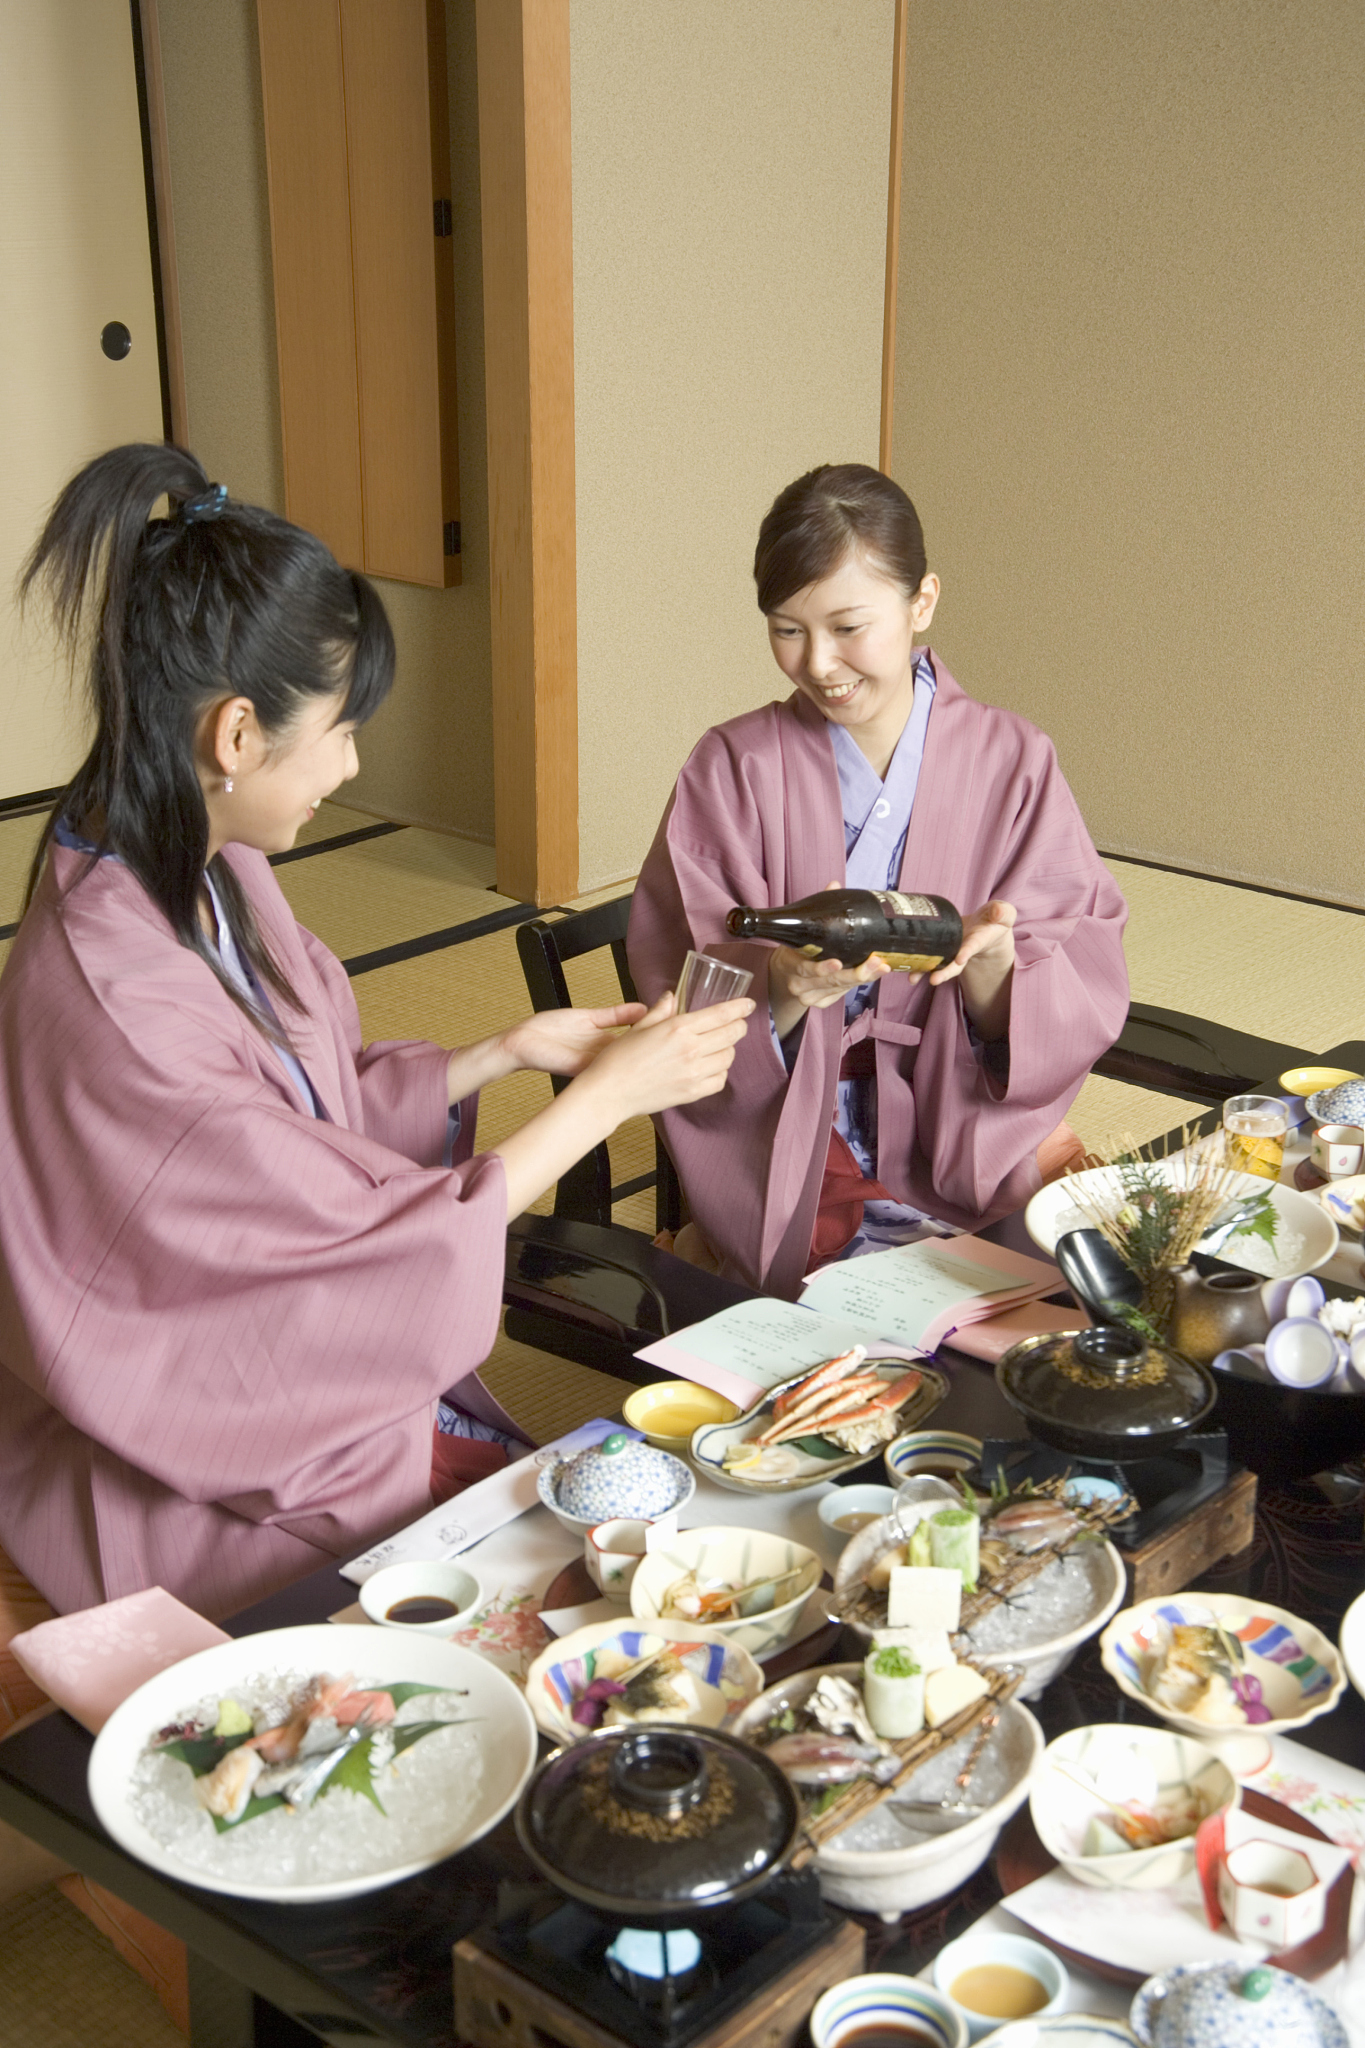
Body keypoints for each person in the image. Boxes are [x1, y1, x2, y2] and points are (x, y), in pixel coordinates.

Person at [0, 443, 753, 1622]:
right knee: (561, 1589)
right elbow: (328, 1248)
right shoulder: (115, 992)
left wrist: (500, 1054)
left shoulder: (200, 862)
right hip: (185, 1455)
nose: (350, 767)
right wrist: (603, 1101)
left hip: (282, 1365)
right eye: (341, 732)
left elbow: (297, 1116)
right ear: (236, 735)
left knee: (615, 1536)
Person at [627, 463, 1128, 1297]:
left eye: (847, 626)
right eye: (786, 630)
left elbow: (1078, 958)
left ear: (920, 603)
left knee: (1105, 1277)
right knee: (850, 1320)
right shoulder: (731, 766)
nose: (818, 663)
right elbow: (687, 971)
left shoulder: (1013, 761)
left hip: (967, 1118)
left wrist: (997, 973)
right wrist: (783, 988)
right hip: (794, 1123)